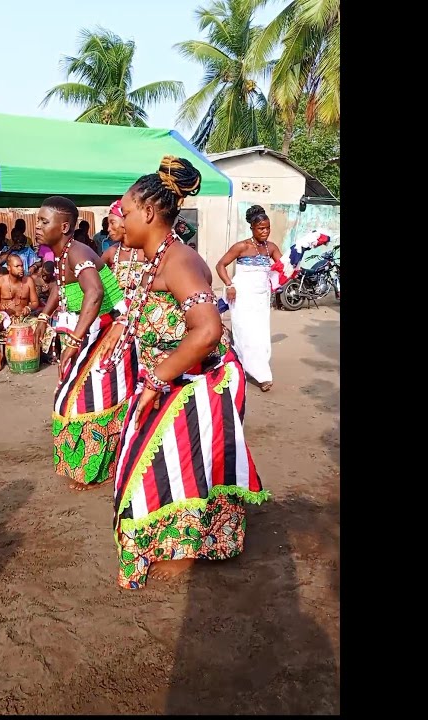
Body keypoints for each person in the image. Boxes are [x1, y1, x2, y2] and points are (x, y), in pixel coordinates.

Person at [107, 155, 267, 590]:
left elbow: (208, 331)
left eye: (123, 209)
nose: (119, 217)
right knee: (161, 467)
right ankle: (177, 542)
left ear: (147, 212)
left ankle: (185, 550)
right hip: (175, 376)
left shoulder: (180, 261)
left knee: (176, 468)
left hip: (203, 381)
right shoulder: (154, 258)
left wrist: (157, 380)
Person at [34, 195, 133, 491]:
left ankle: (97, 469)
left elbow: (95, 294)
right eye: (38, 220)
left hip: (111, 330)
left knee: (86, 400)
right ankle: (89, 464)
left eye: (43, 221)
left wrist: (75, 341)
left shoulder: (78, 252)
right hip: (90, 331)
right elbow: (62, 288)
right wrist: (44, 316)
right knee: (71, 395)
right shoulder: (62, 253)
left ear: (64, 227)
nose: (37, 226)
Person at [215, 204, 282, 392]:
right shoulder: (241, 246)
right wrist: (229, 285)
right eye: (261, 228)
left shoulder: (271, 247)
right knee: (245, 334)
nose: (265, 232)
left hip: (261, 298)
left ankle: (246, 366)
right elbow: (221, 265)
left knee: (260, 336)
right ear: (252, 228)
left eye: (267, 228)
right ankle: (262, 375)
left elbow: (283, 266)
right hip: (241, 296)